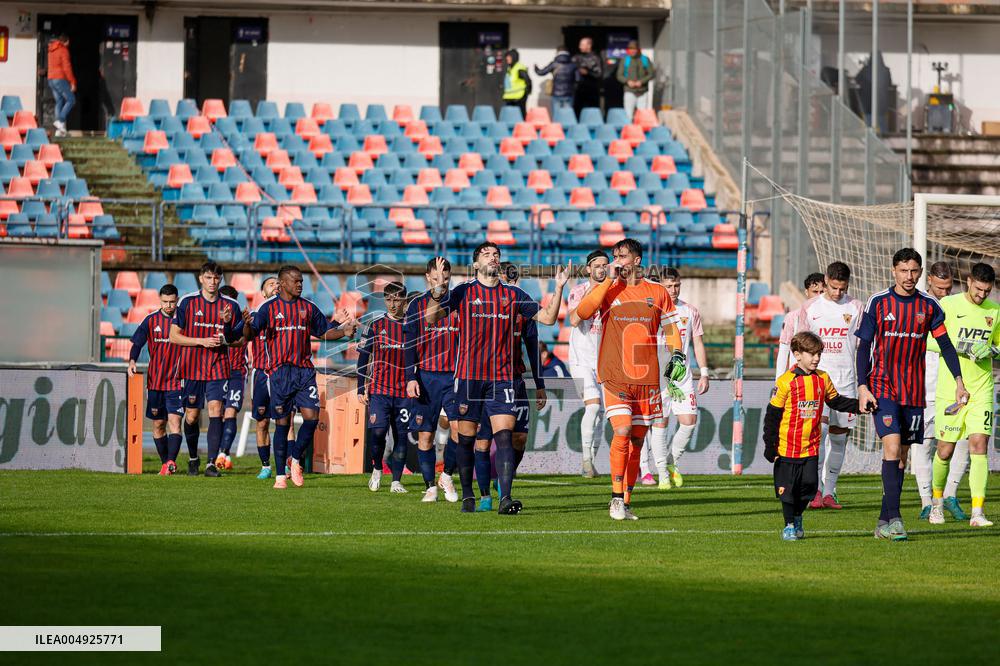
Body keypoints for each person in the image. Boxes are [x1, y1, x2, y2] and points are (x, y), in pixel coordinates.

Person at [424, 245, 569, 515]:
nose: (493, 256)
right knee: (467, 439)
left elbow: (549, 318)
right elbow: (431, 318)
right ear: (475, 264)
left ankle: (505, 499)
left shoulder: (514, 295)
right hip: (469, 378)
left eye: (496, 254)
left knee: (505, 437)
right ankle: (468, 495)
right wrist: (438, 289)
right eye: (486, 254)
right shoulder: (463, 292)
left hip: (502, 379)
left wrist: (559, 287)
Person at [856, 248, 967, 541]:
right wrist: (862, 386)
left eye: (914, 271)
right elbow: (863, 347)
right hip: (882, 385)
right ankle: (895, 520)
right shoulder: (878, 302)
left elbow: (946, 346)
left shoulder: (929, 305)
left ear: (920, 273)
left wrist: (959, 381)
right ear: (894, 270)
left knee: (902, 458)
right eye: (904, 270)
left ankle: (883, 522)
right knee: (892, 448)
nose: (909, 276)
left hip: (913, 391)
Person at [574, 238, 683, 521]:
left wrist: (678, 356)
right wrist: (606, 282)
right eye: (614, 256)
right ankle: (615, 498)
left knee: (637, 440)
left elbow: (672, 328)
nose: (616, 261)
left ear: (637, 260)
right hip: (614, 375)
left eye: (622, 256)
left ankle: (626, 500)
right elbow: (582, 313)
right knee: (621, 431)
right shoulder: (608, 288)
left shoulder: (657, 292)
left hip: (647, 379)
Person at [238, 265, 357, 489]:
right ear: (283, 284)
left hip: (304, 371)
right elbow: (250, 335)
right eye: (296, 281)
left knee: (312, 418)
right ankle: (280, 476)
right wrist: (245, 325)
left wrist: (343, 331)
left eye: (302, 281)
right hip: (280, 373)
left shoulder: (308, 307)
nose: (300, 285)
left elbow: (323, 331)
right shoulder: (268, 308)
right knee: (282, 424)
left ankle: (294, 459)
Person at [764, 332, 865, 541]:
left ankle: (797, 516)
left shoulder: (822, 378)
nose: (816, 358)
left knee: (809, 488)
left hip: (811, 448)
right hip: (787, 448)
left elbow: (836, 402)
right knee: (787, 491)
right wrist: (770, 445)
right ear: (797, 355)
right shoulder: (785, 382)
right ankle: (789, 525)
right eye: (811, 354)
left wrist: (860, 406)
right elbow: (772, 416)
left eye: (818, 353)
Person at [928, 262, 999, 527]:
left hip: (982, 388)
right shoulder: (948, 305)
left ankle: (977, 513)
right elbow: (928, 339)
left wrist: (992, 350)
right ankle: (936, 504)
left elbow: (999, 344)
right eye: (978, 289)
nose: (982, 295)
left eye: (987, 291)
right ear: (969, 281)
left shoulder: (995, 311)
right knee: (944, 450)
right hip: (951, 389)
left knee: (979, 445)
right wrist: (958, 346)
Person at [472, 262, 547, 512]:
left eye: (515, 280)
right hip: (484, 381)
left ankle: (504, 483)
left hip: (514, 381)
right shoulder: (483, 308)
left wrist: (540, 384)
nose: (512, 284)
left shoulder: (522, 309)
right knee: (483, 442)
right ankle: (485, 497)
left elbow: (533, 346)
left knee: (519, 438)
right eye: (508, 278)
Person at [794, 262, 863, 510]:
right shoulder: (810, 308)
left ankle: (830, 492)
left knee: (839, 438)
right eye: (833, 287)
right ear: (826, 281)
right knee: (818, 434)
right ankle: (815, 490)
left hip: (846, 382)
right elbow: (799, 345)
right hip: (817, 381)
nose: (837, 292)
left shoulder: (856, 307)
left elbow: (863, 346)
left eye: (842, 288)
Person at [169, 262, 244, 477]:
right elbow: (174, 336)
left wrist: (225, 338)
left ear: (221, 279)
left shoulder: (231, 305)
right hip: (192, 366)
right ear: (201, 278)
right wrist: (201, 341)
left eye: (216, 278)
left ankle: (211, 463)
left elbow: (240, 340)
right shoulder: (187, 302)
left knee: (216, 410)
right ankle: (194, 457)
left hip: (218, 365)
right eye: (209, 278)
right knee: (192, 416)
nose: (212, 282)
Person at [911, 263, 969, 519]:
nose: (944, 293)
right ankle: (927, 500)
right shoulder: (918, 305)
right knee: (923, 444)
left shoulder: (958, 306)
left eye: (948, 288)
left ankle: (950, 495)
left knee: (962, 441)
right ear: (929, 281)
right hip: (923, 387)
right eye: (939, 288)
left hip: (952, 386)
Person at [405, 259, 462, 503]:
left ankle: (446, 475)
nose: (443, 282)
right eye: (438, 278)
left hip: (454, 376)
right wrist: (410, 377)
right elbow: (409, 344)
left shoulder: (459, 302)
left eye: (446, 278)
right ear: (428, 277)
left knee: (460, 429)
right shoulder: (416, 305)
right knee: (426, 436)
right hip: (426, 376)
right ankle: (430, 486)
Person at [648, 267, 710, 490]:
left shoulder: (690, 311)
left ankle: (671, 461)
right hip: (657, 376)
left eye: (676, 286)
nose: (673, 290)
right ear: (660, 287)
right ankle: (663, 474)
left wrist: (704, 372)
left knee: (689, 421)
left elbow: (698, 343)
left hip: (681, 376)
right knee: (660, 423)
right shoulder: (652, 310)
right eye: (668, 286)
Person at [358, 282, 412, 495]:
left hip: (404, 392)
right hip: (380, 390)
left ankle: (396, 481)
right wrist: (360, 388)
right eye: (389, 299)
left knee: (401, 436)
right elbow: (363, 357)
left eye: (397, 299)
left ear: (404, 300)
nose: (393, 304)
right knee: (378, 432)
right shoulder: (375, 325)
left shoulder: (412, 326)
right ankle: (377, 468)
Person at [128, 284, 182, 475]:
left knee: (175, 422)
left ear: (177, 300)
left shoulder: (183, 319)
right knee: (158, 425)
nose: (169, 305)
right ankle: (166, 464)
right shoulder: (151, 320)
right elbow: (137, 343)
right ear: (160, 300)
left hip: (177, 381)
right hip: (155, 382)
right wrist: (132, 361)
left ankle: (171, 462)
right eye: (165, 302)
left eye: (172, 302)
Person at [567, 250, 609, 478]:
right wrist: (594, 295)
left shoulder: (613, 292)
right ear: (588, 269)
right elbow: (574, 319)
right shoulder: (579, 290)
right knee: (592, 407)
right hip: (580, 359)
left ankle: (590, 462)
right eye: (598, 265)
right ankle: (585, 460)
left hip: (604, 361)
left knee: (602, 413)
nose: (602, 269)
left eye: (605, 265)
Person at [248, 276, 280, 480]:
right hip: (260, 373)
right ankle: (266, 466)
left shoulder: (287, 315)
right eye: (271, 284)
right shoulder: (255, 316)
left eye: (278, 283)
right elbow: (240, 337)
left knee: (286, 422)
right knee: (262, 422)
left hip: (281, 374)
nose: (276, 286)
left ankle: (289, 464)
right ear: (262, 292)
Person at [216, 285, 248, 471]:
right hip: (217, 371)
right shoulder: (213, 319)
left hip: (237, 371)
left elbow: (242, 340)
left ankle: (223, 453)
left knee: (231, 412)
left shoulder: (243, 321)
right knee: (217, 413)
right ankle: (221, 454)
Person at [775, 273, 826, 378]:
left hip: (825, 376)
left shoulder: (833, 316)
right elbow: (784, 349)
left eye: (822, 292)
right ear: (806, 292)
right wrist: (778, 380)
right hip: (800, 378)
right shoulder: (793, 317)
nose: (819, 296)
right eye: (815, 292)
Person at [616, 40, 654, 121]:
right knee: (628, 115)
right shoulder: (625, 60)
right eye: (630, 48)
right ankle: (629, 128)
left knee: (642, 115)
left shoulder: (645, 59)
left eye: (634, 48)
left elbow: (651, 74)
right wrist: (627, 81)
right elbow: (619, 75)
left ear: (638, 49)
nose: (632, 50)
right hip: (629, 91)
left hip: (642, 91)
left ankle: (640, 129)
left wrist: (641, 82)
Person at [46, 34, 76, 138]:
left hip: (51, 79)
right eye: (68, 42)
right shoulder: (63, 50)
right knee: (71, 100)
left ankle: (60, 130)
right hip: (59, 78)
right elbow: (67, 67)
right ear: (65, 41)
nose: (69, 44)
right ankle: (60, 120)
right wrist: (72, 82)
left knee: (59, 101)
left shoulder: (51, 50)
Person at [535, 46, 576, 112]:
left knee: (557, 114)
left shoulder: (554, 64)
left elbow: (541, 72)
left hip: (556, 93)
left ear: (557, 53)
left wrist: (536, 68)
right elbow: (578, 79)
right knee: (567, 114)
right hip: (569, 93)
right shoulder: (573, 65)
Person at [573, 37, 603, 116]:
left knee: (592, 112)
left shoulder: (595, 58)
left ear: (589, 46)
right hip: (579, 90)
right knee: (577, 112)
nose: (580, 47)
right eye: (580, 45)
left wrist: (588, 72)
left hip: (592, 91)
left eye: (582, 45)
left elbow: (599, 74)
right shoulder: (576, 57)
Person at [502, 49, 531, 117]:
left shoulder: (519, 68)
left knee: (521, 115)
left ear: (514, 57)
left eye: (509, 57)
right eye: (507, 57)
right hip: (510, 97)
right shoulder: (509, 68)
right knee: (509, 117)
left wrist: (526, 93)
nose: (507, 58)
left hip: (519, 97)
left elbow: (528, 81)